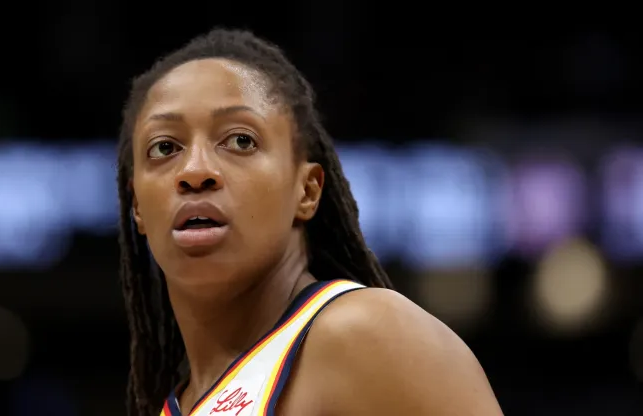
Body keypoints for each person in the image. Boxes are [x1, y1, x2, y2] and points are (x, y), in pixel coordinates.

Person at [116, 28, 504, 416]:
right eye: (165, 147)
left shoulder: (365, 335)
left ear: (307, 191)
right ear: (137, 206)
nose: (195, 170)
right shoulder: (174, 404)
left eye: (240, 140)